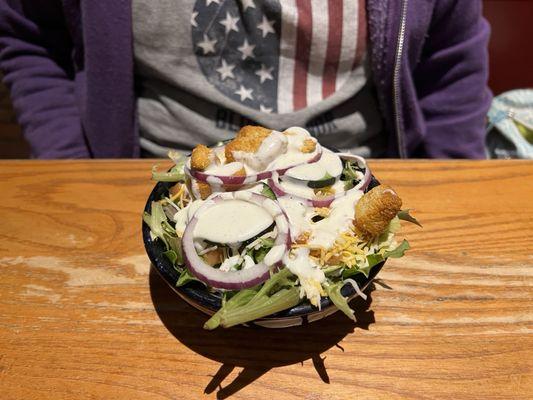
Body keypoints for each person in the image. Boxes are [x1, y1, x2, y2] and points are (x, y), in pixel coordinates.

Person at [0, 0, 491, 159]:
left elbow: (450, 72)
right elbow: (31, 38)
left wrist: (444, 198)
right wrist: (75, 167)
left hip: (357, 180)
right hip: (146, 182)